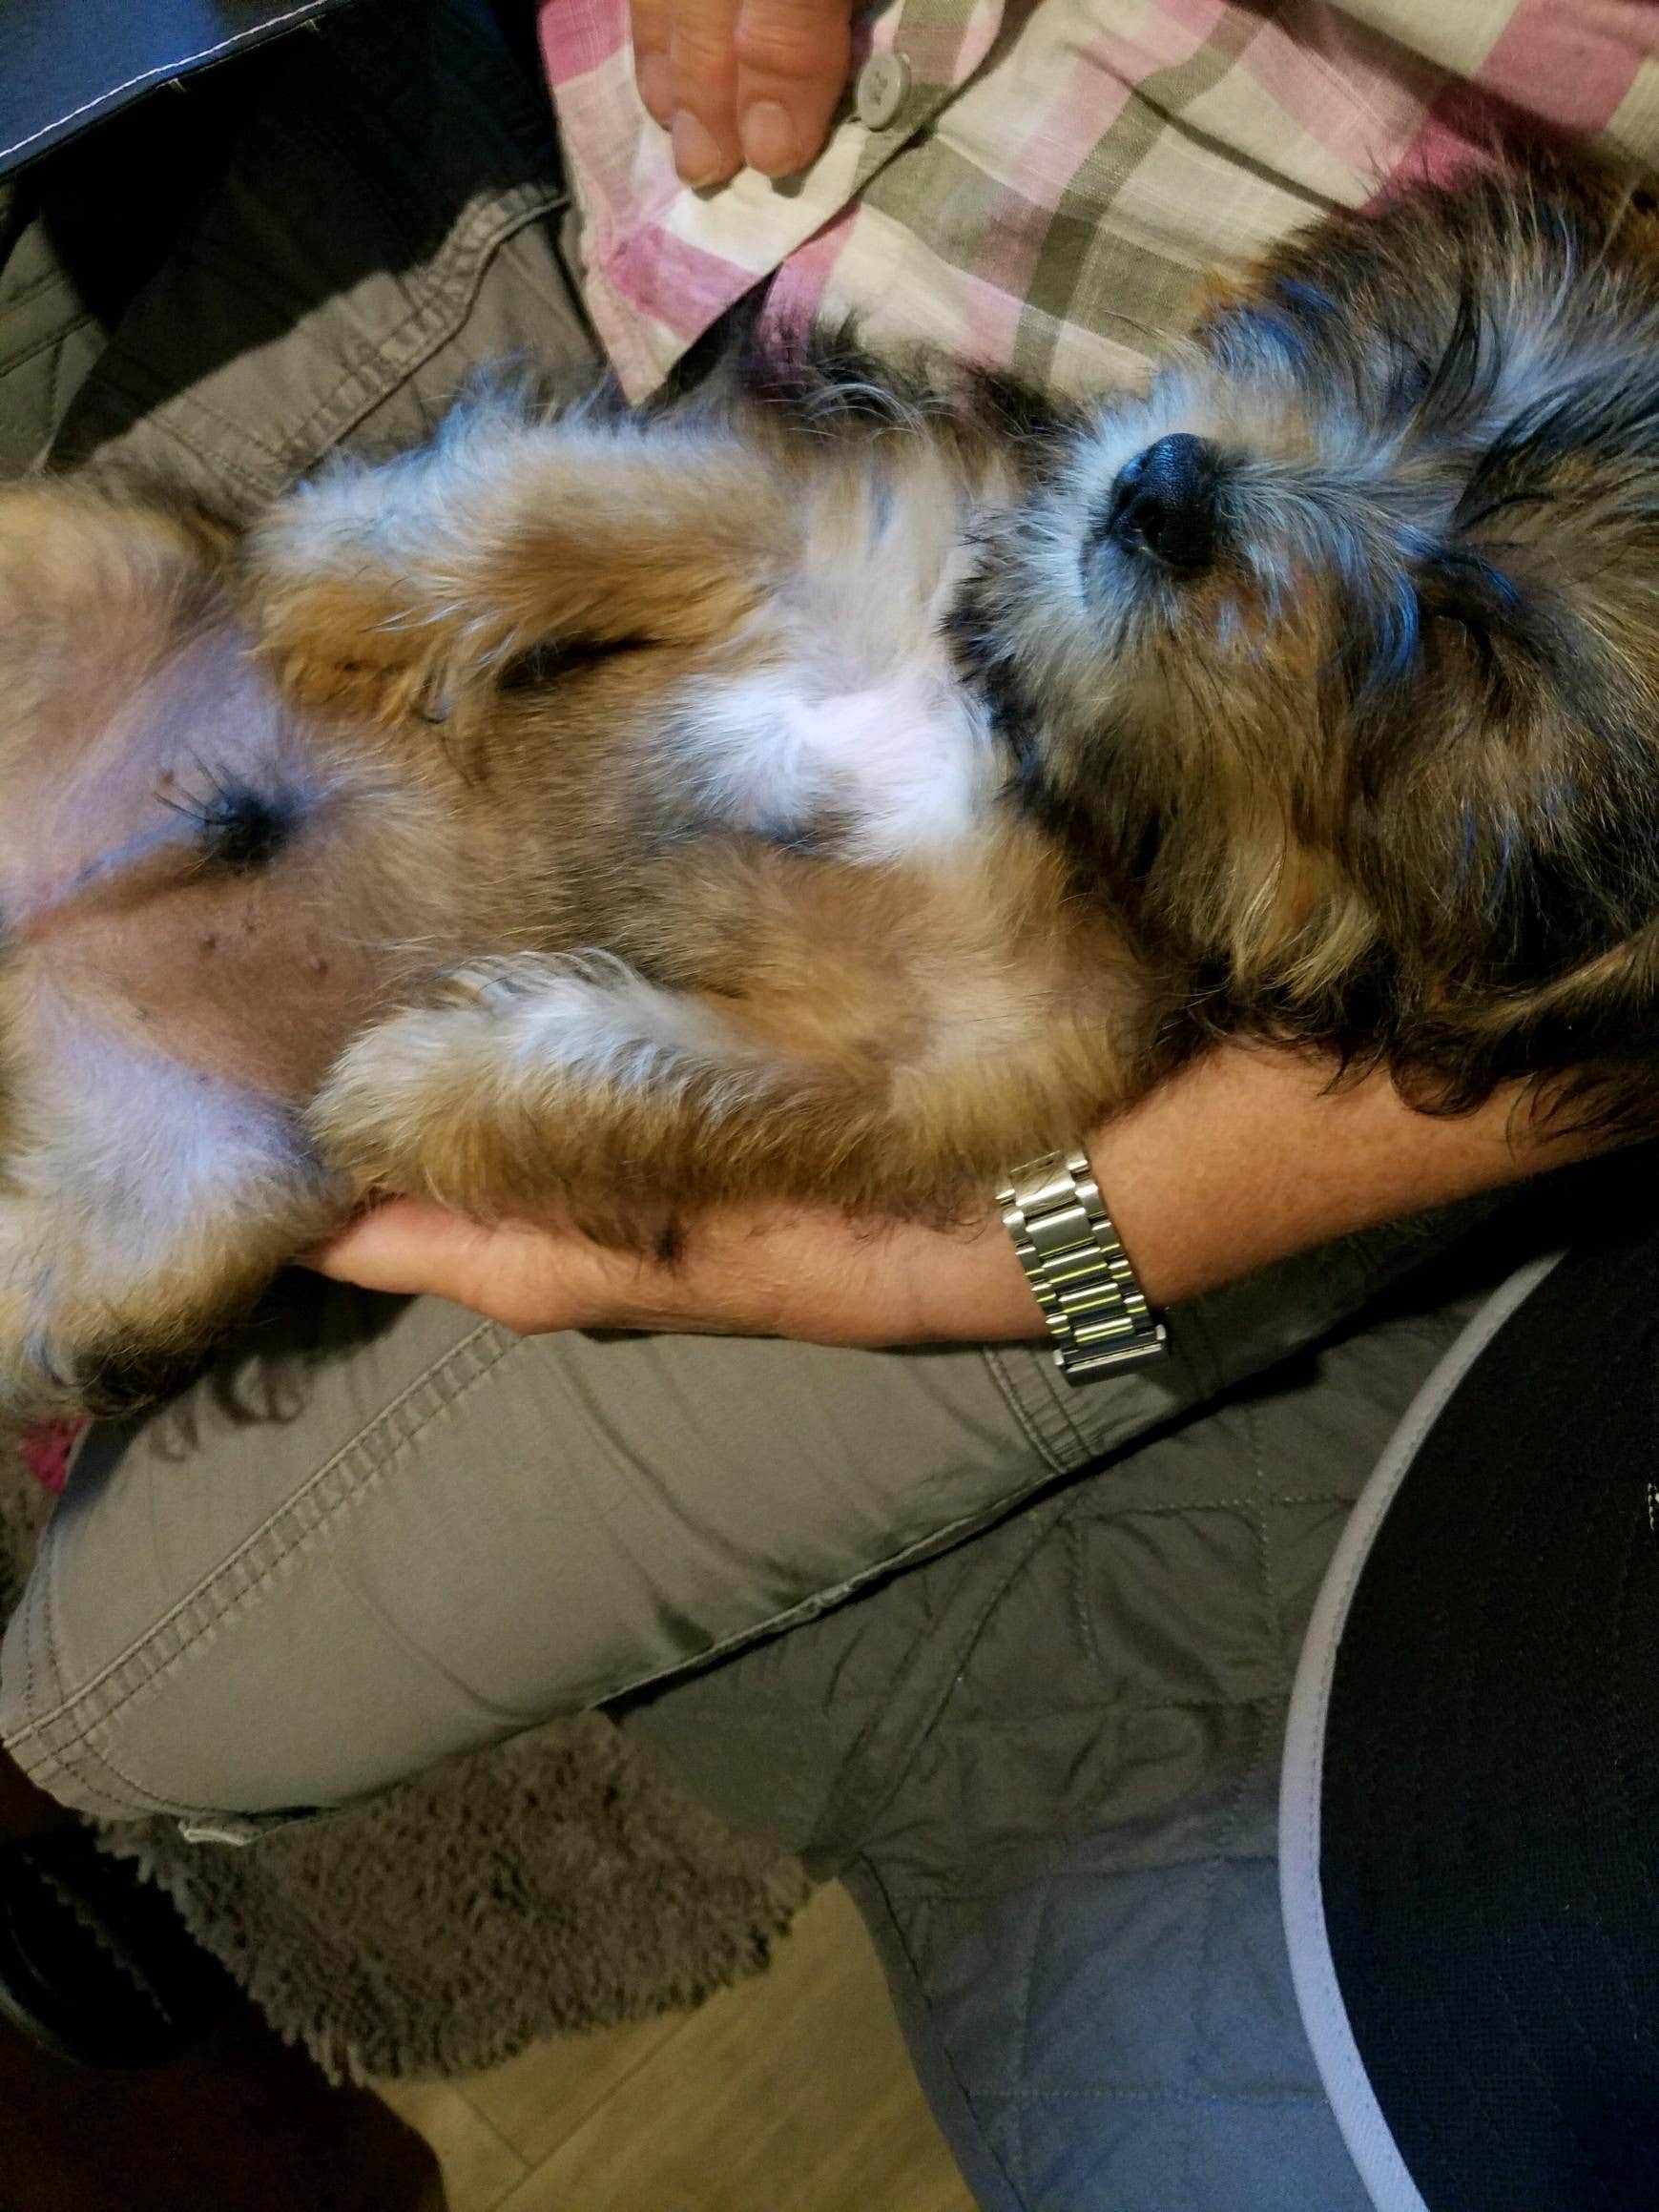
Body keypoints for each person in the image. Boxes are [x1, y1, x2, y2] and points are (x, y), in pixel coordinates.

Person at [0, 4, 1652, 2204]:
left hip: (307, 1021)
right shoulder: (999, 499)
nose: (1242, 475)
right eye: (1396, 376)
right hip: (659, 228)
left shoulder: (1082, 991)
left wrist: (1044, 1230)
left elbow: (652, 1083)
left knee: (110, 1684)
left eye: (1426, 650)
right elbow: (699, 521)